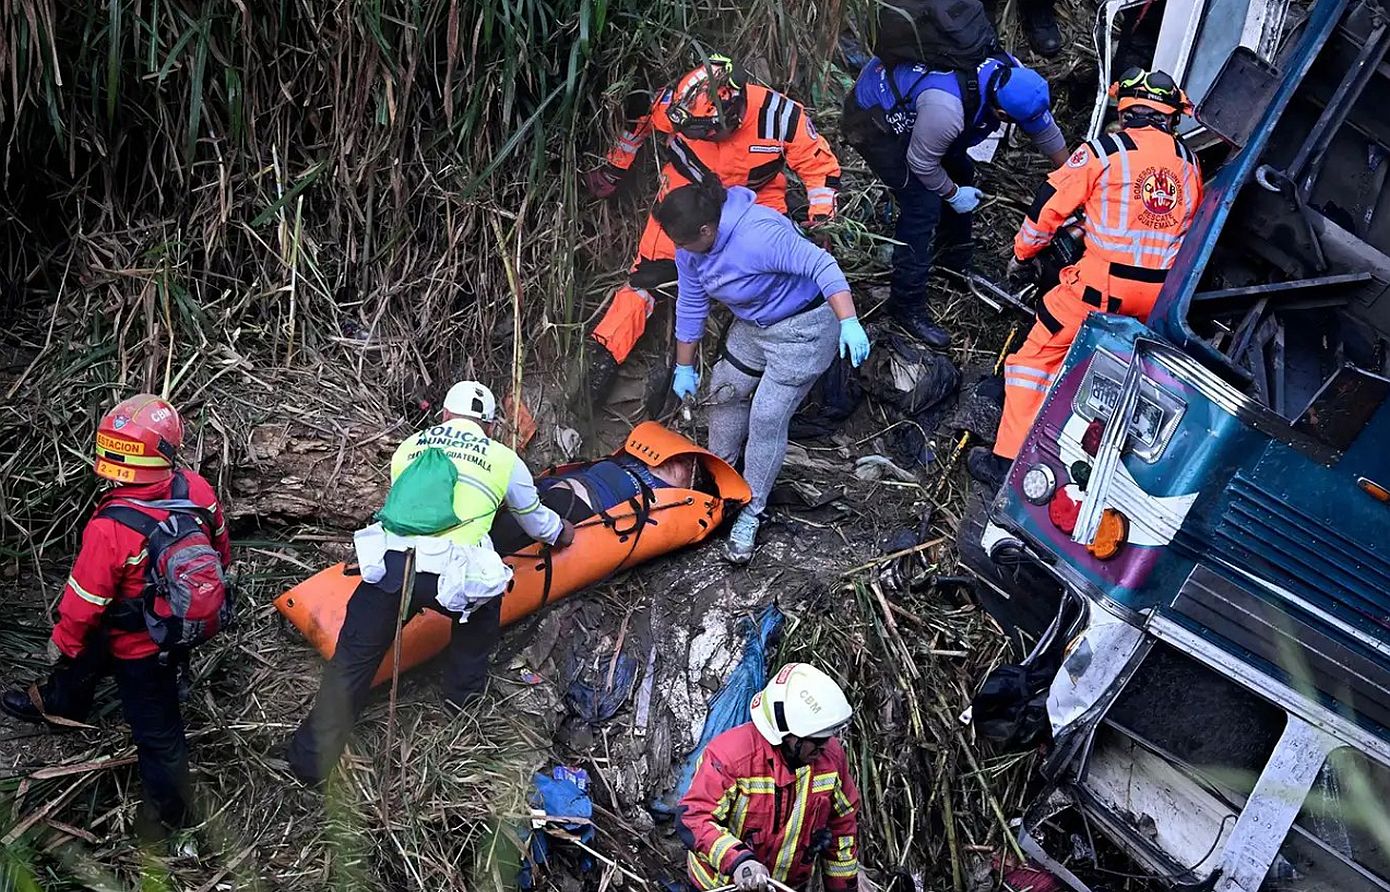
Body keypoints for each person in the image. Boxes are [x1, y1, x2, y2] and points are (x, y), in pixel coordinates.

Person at [285, 381, 576, 786]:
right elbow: (534, 520)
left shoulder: (410, 448)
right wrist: (563, 533)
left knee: (351, 663)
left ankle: (307, 764)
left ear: (443, 416)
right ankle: (461, 712)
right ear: (489, 425)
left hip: (392, 566)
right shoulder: (503, 459)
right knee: (478, 624)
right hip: (456, 577)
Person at [1, 394, 231, 844]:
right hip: (176, 625)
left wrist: (63, 643)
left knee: (157, 733)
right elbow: (220, 551)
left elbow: (83, 602)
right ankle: (61, 702)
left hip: (136, 647)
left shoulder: (111, 526)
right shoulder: (197, 490)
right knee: (103, 670)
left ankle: (174, 822)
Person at [971, 68, 1203, 487]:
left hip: (1099, 291)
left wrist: (1023, 252)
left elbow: (1049, 206)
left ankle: (1006, 463)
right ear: (1170, 116)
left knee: (1032, 363)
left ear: (1126, 109)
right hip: (1159, 303)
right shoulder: (1190, 165)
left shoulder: (1104, 150)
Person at [580, 54, 843, 409]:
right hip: (687, 197)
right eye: (689, 131)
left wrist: (822, 215)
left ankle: (767, 350)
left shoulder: (778, 116)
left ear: (731, 116)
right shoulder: (679, 103)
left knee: (771, 276)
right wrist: (614, 169)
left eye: (703, 132)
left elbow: (818, 166)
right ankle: (604, 360)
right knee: (647, 277)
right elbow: (637, 121)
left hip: (757, 201)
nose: (696, 136)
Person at [656, 182, 871, 564]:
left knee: (767, 416)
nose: (680, 250)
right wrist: (683, 366)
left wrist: (849, 321)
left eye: (684, 242)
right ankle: (720, 474)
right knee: (722, 391)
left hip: (803, 327)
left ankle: (751, 510)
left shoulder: (759, 235)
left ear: (706, 231)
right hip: (754, 325)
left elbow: (821, 264)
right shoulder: (690, 250)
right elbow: (690, 304)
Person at [844, 54, 1069, 348]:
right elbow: (922, 164)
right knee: (922, 205)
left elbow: (1044, 130)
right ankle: (906, 304)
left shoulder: (1013, 70)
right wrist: (952, 194)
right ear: (1000, 114)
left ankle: (953, 260)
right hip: (874, 120)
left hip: (925, 112)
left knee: (962, 170)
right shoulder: (946, 112)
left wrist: (1070, 180)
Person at [677, 663, 861, 892]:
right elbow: (694, 818)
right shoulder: (731, 757)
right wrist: (739, 862)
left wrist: (844, 888)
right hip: (723, 886)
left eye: (827, 737)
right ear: (788, 734)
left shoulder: (830, 759)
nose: (825, 747)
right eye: (817, 740)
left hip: (785, 886)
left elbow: (842, 826)